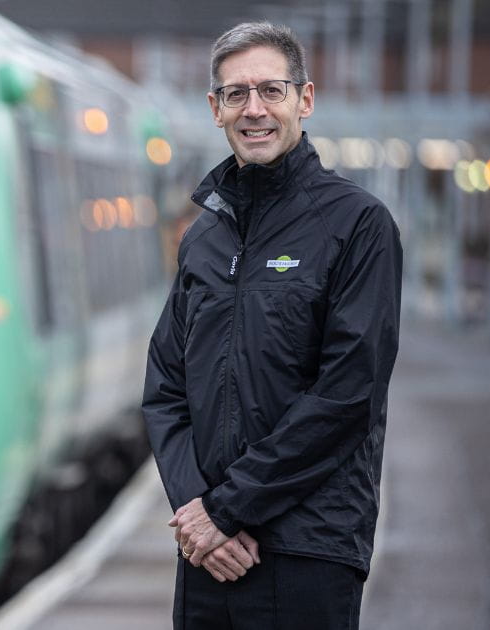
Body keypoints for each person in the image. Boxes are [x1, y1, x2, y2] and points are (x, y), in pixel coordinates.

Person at [142, 21, 402, 629]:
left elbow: (348, 394)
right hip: (209, 555)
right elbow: (164, 387)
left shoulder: (359, 225)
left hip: (309, 549)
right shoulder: (204, 236)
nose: (253, 109)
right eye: (236, 94)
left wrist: (228, 509)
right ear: (215, 109)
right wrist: (194, 510)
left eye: (271, 91)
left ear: (304, 100)